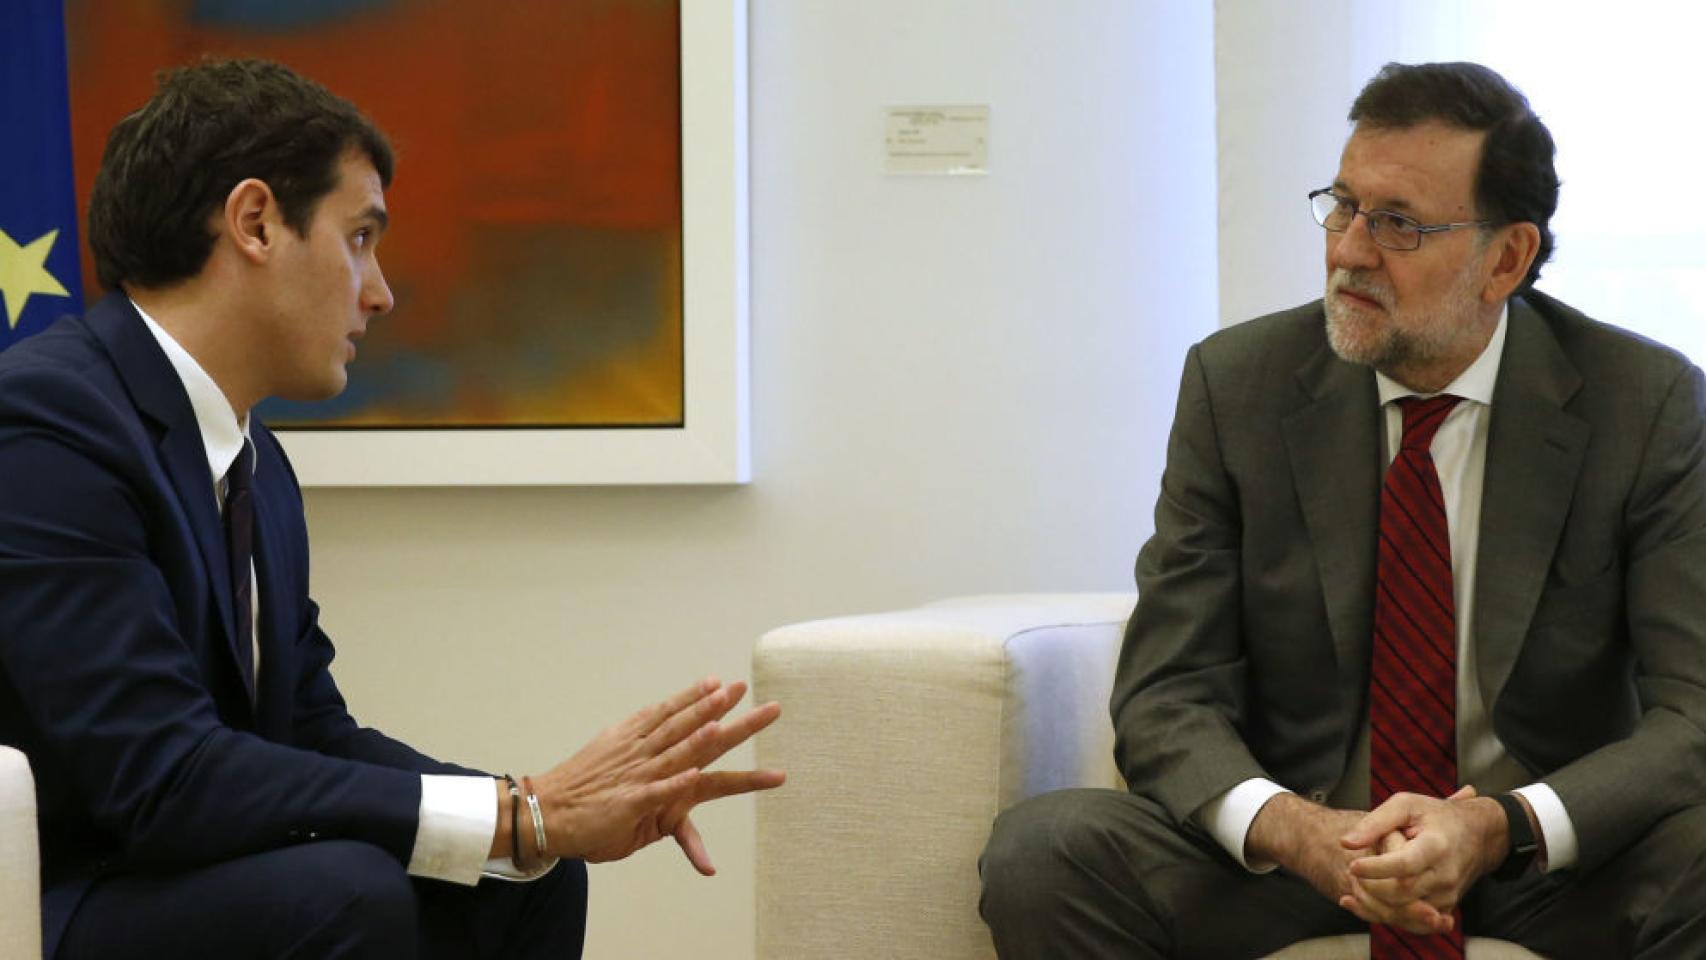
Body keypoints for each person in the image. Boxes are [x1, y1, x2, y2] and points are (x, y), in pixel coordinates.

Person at [0, 58, 783, 960]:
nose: (380, 291)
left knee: (528, 878)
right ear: (256, 223)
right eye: (361, 237)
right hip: (52, 897)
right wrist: (520, 812)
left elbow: (313, 733)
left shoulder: (257, 463)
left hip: (171, 878)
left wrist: (539, 817)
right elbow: (162, 777)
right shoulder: (45, 423)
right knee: (350, 891)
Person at [979, 60, 1706, 959]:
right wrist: (1296, 831)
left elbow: (1692, 714)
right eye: (1343, 205)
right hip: (1308, 863)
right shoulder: (1238, 385)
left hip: (1540, 871)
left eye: (1398, 223)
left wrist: (1499, 830)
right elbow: (1168, 693)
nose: (1348, 250)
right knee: (1045, 851)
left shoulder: (1643, 402)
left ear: (1507, 258)